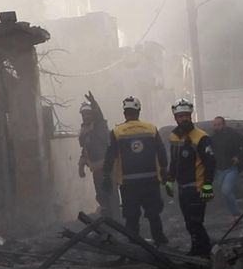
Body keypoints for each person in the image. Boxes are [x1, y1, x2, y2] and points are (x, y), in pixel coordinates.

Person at [102, 96, 169, 247]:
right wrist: (164, 170)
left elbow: (110, 156)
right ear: (139, 111)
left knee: (131, 216)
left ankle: (133, 245)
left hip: (128, 184)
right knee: (153, 214)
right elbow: (161, 152)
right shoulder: (151, 129)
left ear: (124, 112)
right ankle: (160, 241)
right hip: (150, 181)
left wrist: (106, 175)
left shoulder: (117, 131)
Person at [165, 99, 216, 257]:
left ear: (190, 116)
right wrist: (170, 180)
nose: (183, 119)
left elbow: (210, 162)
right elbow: (174, 161)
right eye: (180, 116)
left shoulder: (201, 137)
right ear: (175, 118)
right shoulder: (174, 136)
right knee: (189, 223)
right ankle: (200, 250)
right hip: (183, 188)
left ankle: (203, 252)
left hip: (197, 187)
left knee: (196, 222)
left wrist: (208, 184)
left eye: (186, 116)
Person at [77, 93, 118, 217]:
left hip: (108, 167)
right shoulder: (85, 130)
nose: (86, 117)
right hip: (96, 169)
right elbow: (85, 150)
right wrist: (81, 166)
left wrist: (95, 104)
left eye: (88, 114)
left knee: (111, 194)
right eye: (84, 114)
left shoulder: (99, 126)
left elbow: (99, 116)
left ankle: (116, 219)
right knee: (101, 195)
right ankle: (107, 218)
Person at [211, 116, 243, 219]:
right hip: (219, 170)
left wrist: (238, 157)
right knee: (224, 193)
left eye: (219, 124)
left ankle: (236, 214)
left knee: (226, 190)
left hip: (231, 168)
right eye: (215, 125)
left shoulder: (232, 134)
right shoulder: (213, 138)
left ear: (224, 125)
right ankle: (229, 213)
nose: (217, 127)